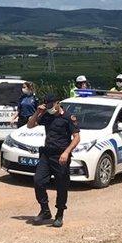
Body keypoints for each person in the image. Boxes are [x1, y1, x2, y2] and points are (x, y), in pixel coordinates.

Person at [29, 95, 81, 228]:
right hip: (47, 154)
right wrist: (37, 112)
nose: (50, 108)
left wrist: (66, 152)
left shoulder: (68, 118)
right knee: (38, 181)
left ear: (58, 103)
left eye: (51, 106)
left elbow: (76, 138)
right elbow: (30, 125)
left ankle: (59, 214)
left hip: (61, 156)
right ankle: (45, 210)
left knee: (61, 186)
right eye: (47, 106)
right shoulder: (46, 115)